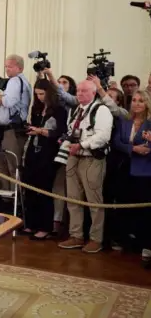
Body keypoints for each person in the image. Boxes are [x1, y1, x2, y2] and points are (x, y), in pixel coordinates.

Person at [57, 80, 113, 254]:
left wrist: (82, 145)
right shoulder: (75, 110)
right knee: (73, 198)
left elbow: (103, 136)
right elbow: (71, 130)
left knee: (94, 200)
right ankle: (76, 235)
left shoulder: (101, 110)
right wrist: (66, 141)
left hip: (91, 158)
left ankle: (96, 239)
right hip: (73, 156)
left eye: (84, 91)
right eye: (78, 90)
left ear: (93, 93)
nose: (79, 93)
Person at [22, 79, 67, 240]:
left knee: (44, 189)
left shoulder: (59, 110)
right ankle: (31, 223)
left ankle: (45, 226)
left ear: (49, 93)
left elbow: (60, 133)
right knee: (29, 187)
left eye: (42, 94)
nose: (39, 97)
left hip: (49, 152)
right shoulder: (37, 108)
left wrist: (40, 131)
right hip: (33, 150)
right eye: (37, 94)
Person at [112, 91, 151, 265]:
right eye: (134, 100)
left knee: (143, 208)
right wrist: (133, 149)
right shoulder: (125, 121)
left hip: (144, 171)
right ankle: (125, 239)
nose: (137, 103)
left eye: (141, 101)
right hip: (124, 168)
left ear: (147, 103)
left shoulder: (150, 123)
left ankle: (143, 243)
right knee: (123, 204)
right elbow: (117, 142)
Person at [0, 55, 31, 190]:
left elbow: (7, 102)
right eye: (6, 66)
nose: (7, 69)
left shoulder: (15, 81)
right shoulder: (22, 82)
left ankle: (14, 198)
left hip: (12, 131)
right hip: (9, 130)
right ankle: (9, 197)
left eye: (10, 67)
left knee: (12, 166)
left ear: (20, 68)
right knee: (4, 166)